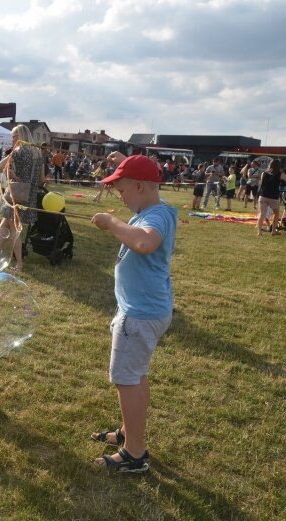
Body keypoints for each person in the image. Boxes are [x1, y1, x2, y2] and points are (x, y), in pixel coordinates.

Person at [89, 155, 176, 473]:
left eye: (122, 189)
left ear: (139, 186)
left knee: (126, 379)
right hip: (146, 309)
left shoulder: (154, 218)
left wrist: (111, 223)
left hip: (139, 315)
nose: (120, 197)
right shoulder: (156, 210)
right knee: (135, 375)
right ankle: (130, 430)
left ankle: (135, 453)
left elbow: (144, 242)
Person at [0, 125, 46, 271]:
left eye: (15, 136)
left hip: (16, 194)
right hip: (29, 195)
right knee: (4, 227)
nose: (13, 139)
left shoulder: (18, 151)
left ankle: (19, 264)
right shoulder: (38, 152)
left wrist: (11, 172)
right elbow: (42, 178)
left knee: (13, 230)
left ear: (22, 136)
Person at [257, 159, 285, 236]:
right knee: (276, 214)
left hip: (263, 195)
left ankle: (259, 232)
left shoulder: (264, 173)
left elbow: (262, 184)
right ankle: (273, 231)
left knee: (262, 214)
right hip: (273, 197)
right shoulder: (280, 174)